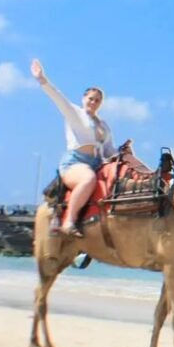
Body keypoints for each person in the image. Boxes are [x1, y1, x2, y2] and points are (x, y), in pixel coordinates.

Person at [30, 59, 131, 238]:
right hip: (76, 163)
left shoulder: (104, 125)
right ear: (84, 99)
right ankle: (69, 221)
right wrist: (42, 80)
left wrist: (122, 153)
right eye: (90, 99)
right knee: (88, 180)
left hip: (98, 163)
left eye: (97, 100)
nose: (93, 102)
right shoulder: (75, 113)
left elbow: (108, 150)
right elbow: (58, 97)